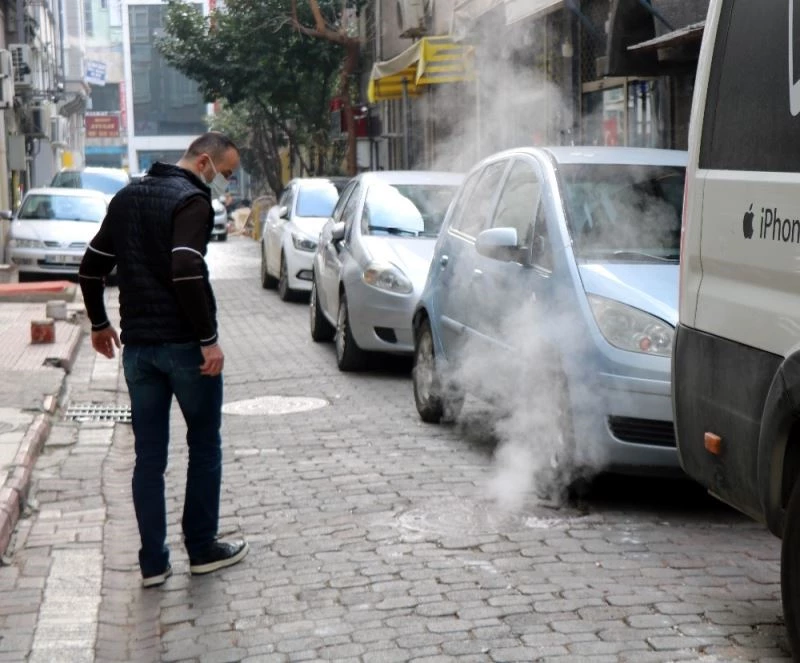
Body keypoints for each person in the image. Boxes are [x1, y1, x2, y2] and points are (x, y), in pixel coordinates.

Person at [78, 132, 249, 588]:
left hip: (139, 352)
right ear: (205, 162)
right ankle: (202, 548)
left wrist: (99, 324)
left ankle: (153, 564)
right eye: (226, 173)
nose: (224, 183)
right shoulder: (192, 201)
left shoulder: (127, 197)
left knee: (148, 458)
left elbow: (90, 266)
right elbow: (187, 268)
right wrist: (208, 339)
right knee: (204, 445)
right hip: (185, 349)